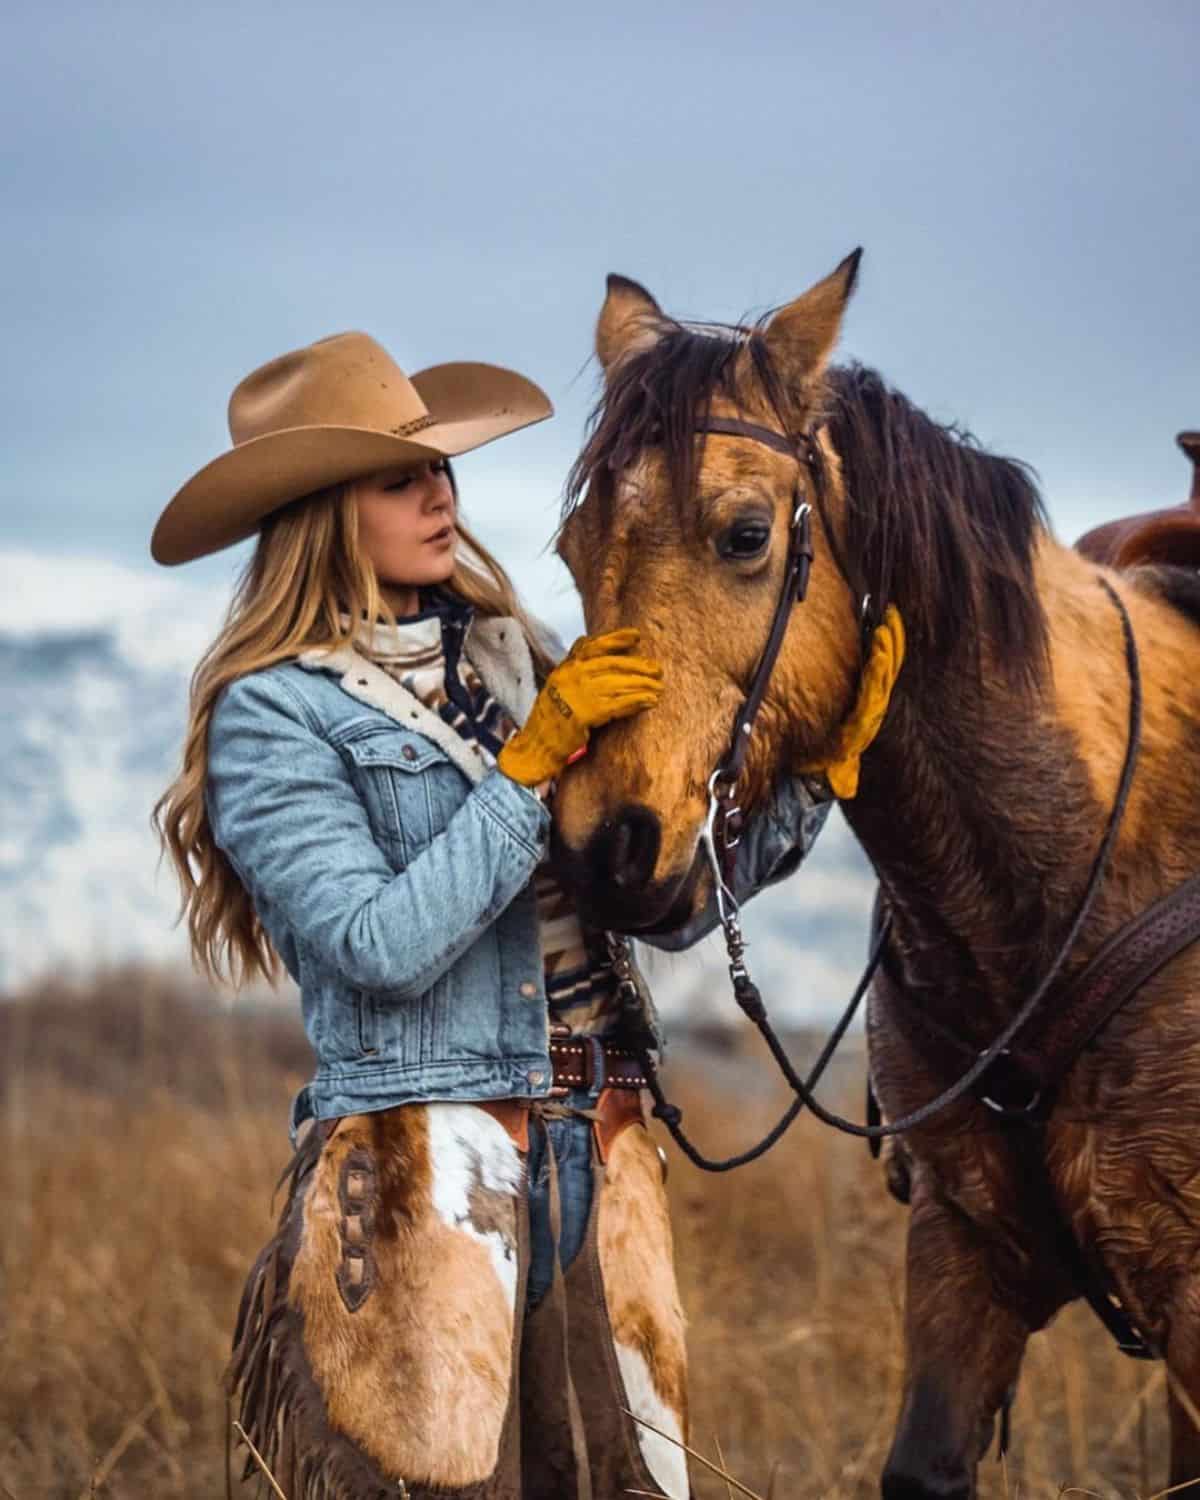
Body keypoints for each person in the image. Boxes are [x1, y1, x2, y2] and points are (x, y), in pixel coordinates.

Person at [152, 329, 831, 1499]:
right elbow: (381, 947)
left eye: (441, 468)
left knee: (628, 1487)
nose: (440, 493)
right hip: (422, 1163)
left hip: (603, 1144)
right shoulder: (271, 717)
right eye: (398, 477)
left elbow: (660, 906)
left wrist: (824, 769)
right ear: (322, 511)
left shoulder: (521, 661)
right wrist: (530, 768)